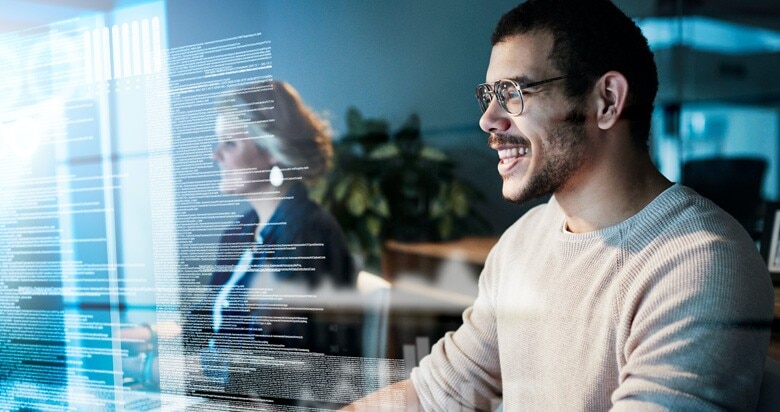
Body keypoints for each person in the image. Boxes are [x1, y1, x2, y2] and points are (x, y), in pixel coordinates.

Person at [345, 0, 774, 410]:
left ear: (605, 100)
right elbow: (434, 397)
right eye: (489, 94)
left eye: (513, 92)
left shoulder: (699, 265)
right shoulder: (522, 244)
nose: (488, 119)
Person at [123, 81, 359, 405]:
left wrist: (154, 368)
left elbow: (273, 366)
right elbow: (203, 324)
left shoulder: (308, 234)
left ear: (273, 152)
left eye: (230, 143)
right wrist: (144, 337)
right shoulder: (239, 232)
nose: (215, 155)